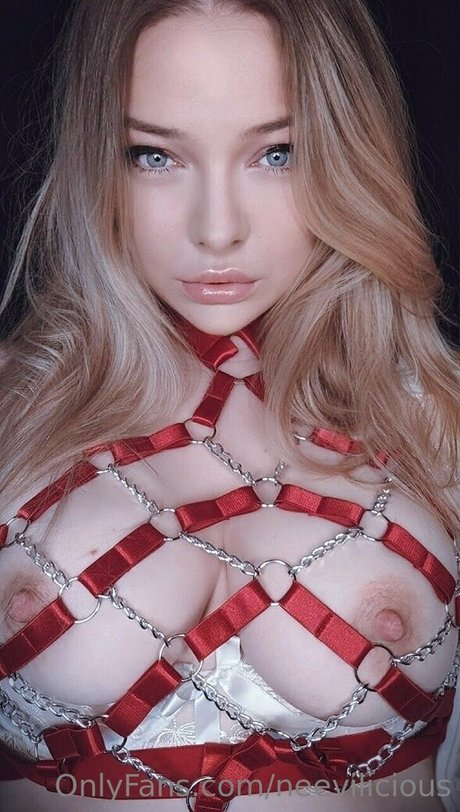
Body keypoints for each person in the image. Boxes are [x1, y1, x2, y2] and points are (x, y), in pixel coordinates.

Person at [0, 0, 459, 810]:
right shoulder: (13, 410)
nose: (217, 231)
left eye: (277, 153)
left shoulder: (440, 422)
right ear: (98, 162)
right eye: (155, 156)